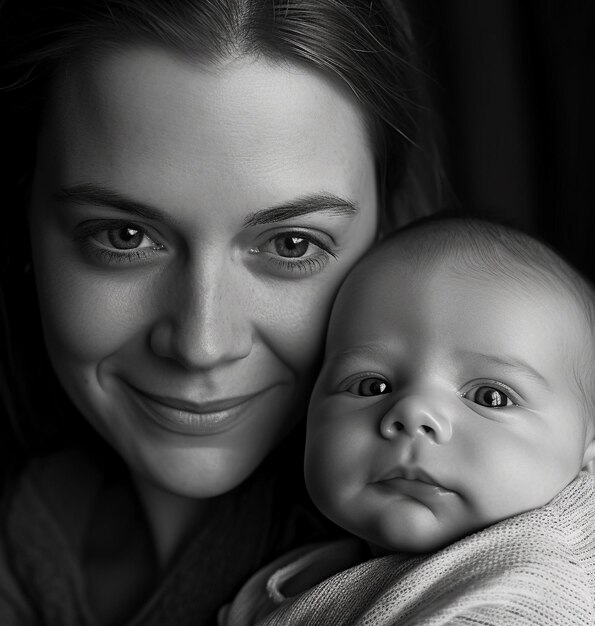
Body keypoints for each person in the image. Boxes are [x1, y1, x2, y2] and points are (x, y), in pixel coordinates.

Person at [0, 1, 449, 624]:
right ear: (22, 221)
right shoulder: (29, 526)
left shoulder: (504, 568)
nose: (201, 343)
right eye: (123, 237)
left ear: (389, 230)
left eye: (293, 244)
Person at [220, 216, 595, 626]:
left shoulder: (535, 587)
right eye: (371, 386)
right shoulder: (312, 563)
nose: (413, 414)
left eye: (491, 397)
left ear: (588, 467)